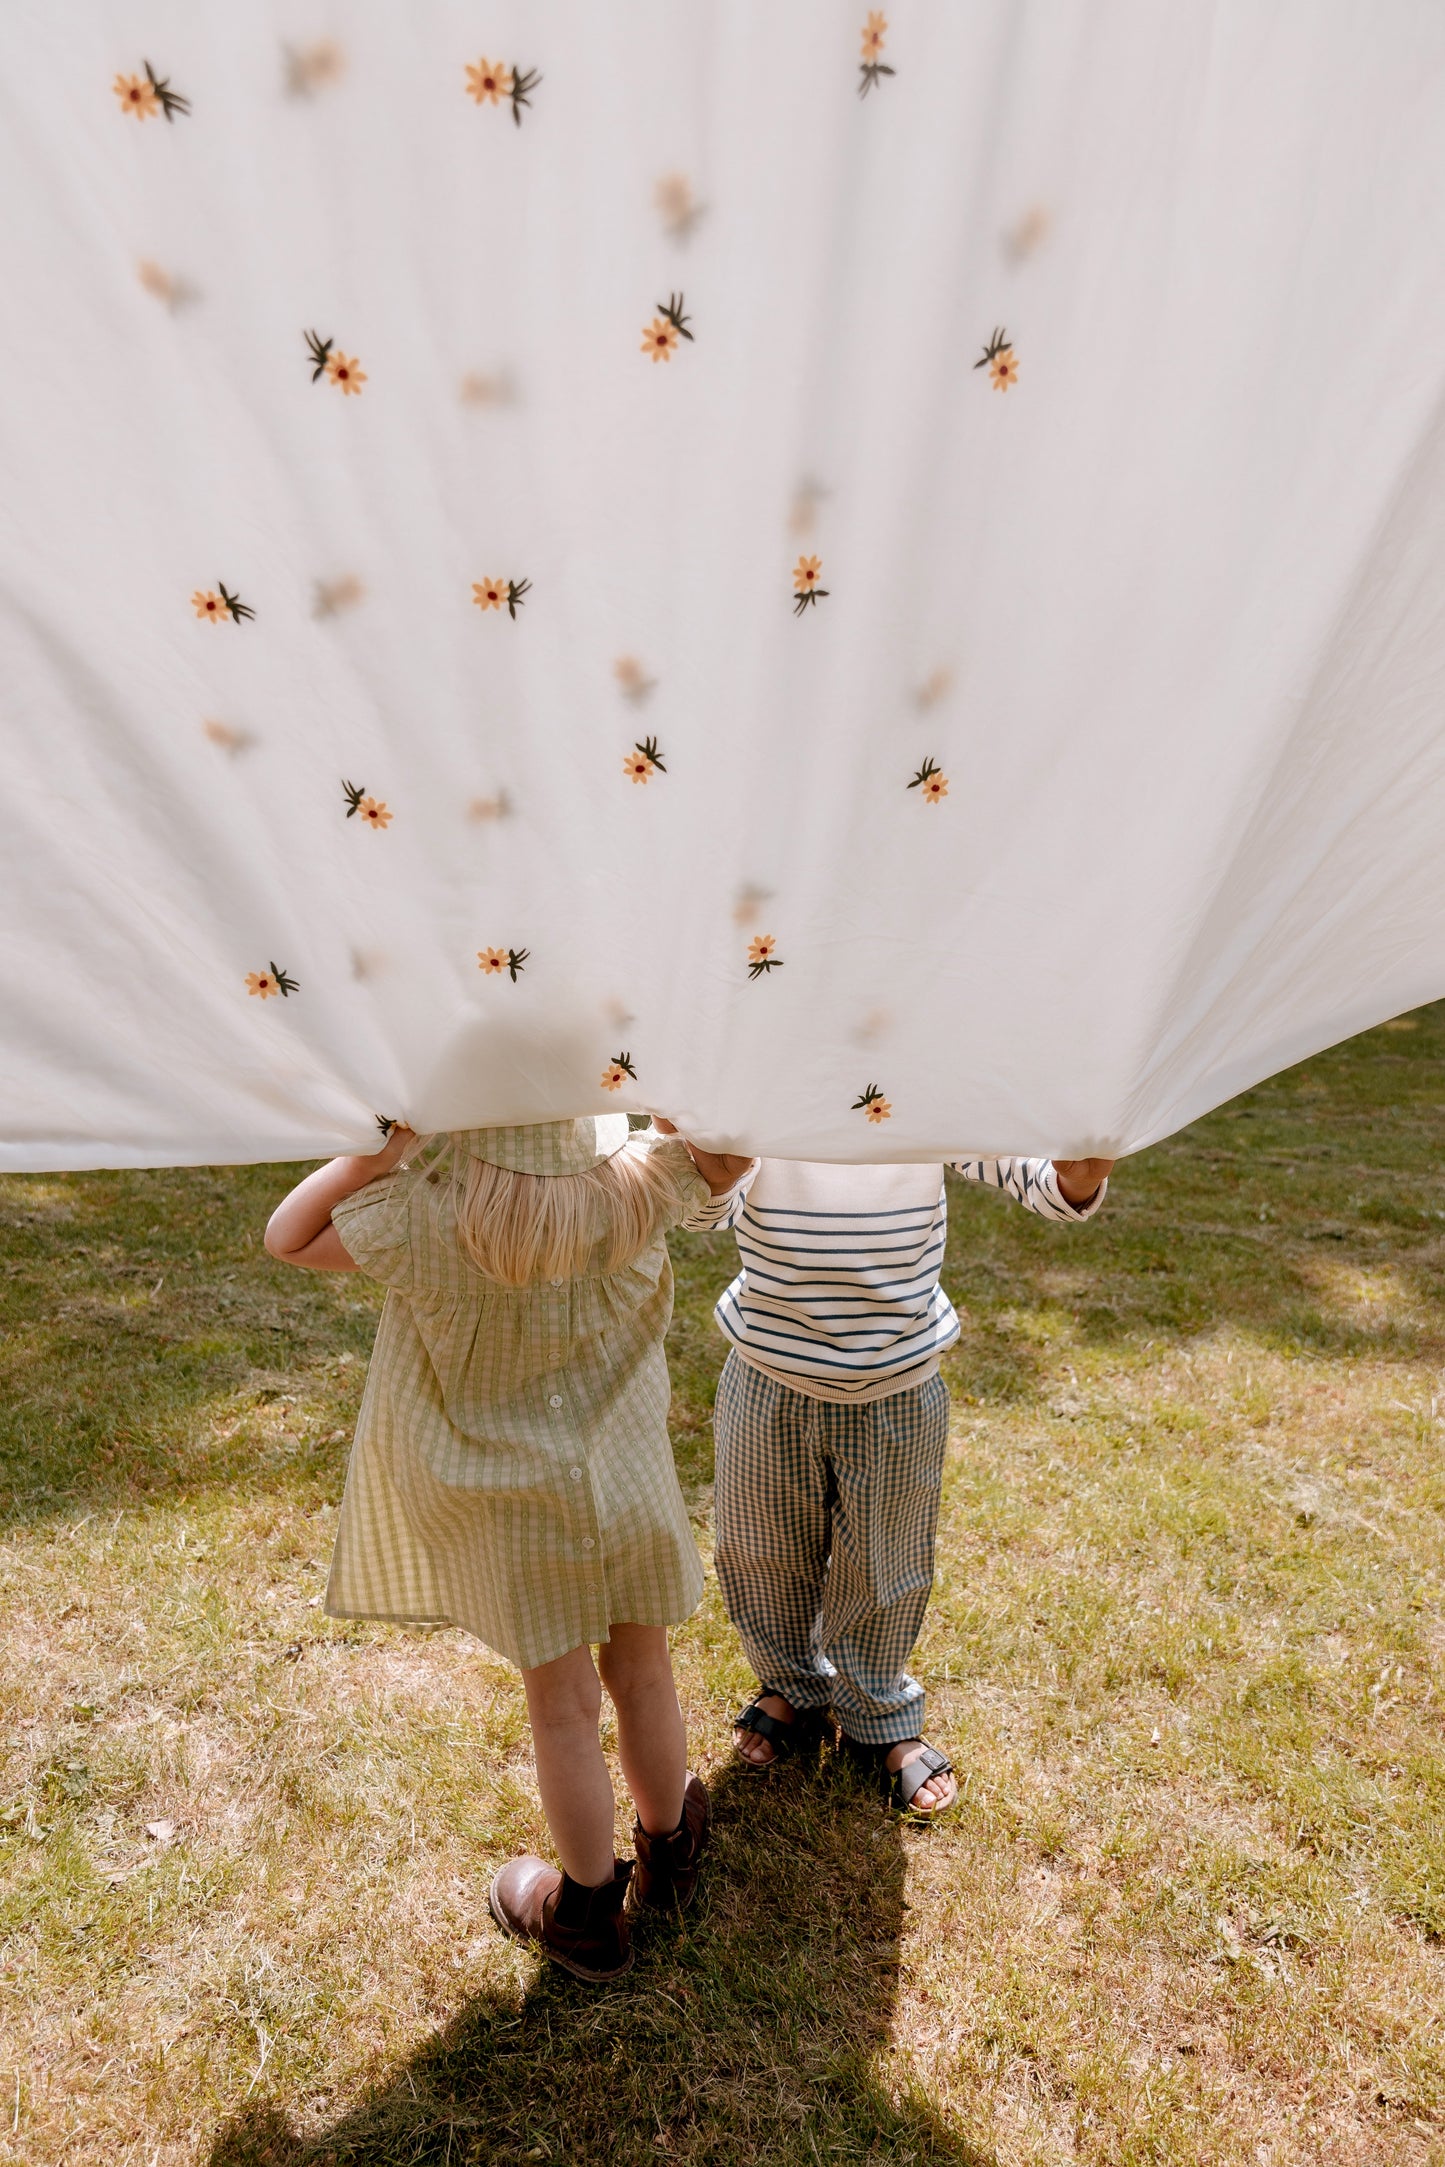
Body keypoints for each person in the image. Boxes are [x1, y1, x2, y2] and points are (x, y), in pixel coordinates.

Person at [264, 1114, 751, 1981]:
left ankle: (589, 1914)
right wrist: (676, 1101)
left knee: (561, 1706)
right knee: (644, 1671)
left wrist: (377, 1150)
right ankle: (670, 1847)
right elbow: (729, 1153)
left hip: (515, 1506)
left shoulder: (426, 1214)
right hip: (625, 1481)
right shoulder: (643, 1180)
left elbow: (288, 1236)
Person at [671, 1142, 1114, 1819]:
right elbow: (703, 1211)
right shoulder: (763, 1068)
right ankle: (790, 1681)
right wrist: (698, 1150)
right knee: (758, 1548)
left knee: (884, 1564)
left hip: (895, 1388)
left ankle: (877, 1708)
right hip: (768, 1375)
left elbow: (1020, 1164)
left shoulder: (921, 1074)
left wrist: (1074, 1180)